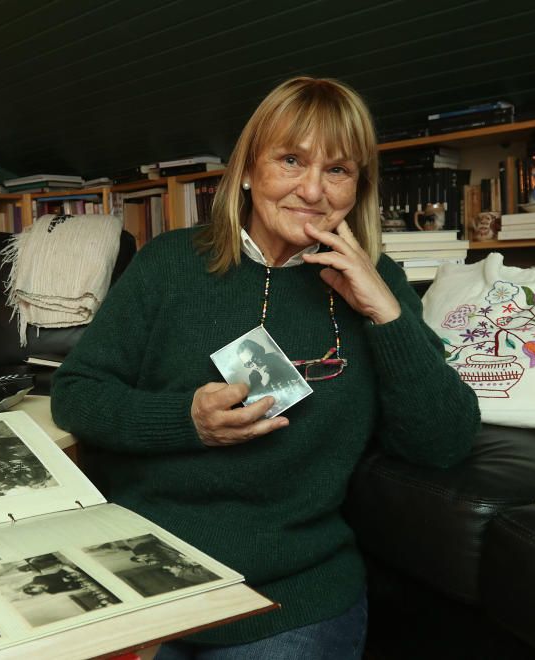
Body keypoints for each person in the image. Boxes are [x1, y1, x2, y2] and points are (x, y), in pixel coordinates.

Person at [51, 76, 479, 659]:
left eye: (338, 170)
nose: (312, 190)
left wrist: (385, 311)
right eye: (291, 160)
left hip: (288, 595)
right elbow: (76, 396)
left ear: (358, 189)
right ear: (249, 171)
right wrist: (185, 420)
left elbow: (444, 442)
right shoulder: (170, 264)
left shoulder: (377, 284)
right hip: (141, 572)